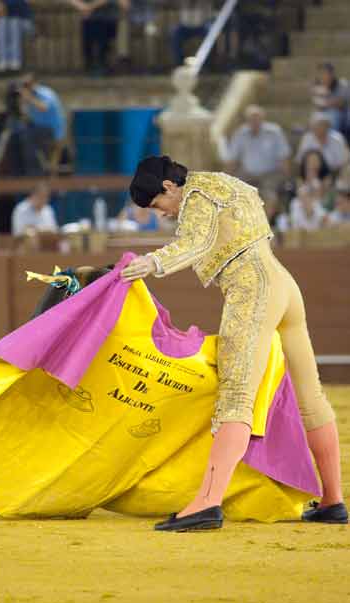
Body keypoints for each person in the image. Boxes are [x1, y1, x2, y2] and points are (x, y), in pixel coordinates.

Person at [121, 155, 347, 532]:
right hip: (283, 284)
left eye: (158, 205)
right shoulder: (222, 181)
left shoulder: (195, 196)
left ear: (168, 187)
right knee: (312, 397)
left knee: (236, 397)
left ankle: (207, 503)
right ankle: (333, 500)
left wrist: (152, 263)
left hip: (251, 289)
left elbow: (194, 243)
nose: (162, 214)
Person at [224, 104, 291, 196]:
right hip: (247, 173)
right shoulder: (240, 134)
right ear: (247, 120)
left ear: (263, 118)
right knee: (238, 194)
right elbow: (232, 160)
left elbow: (283, 157)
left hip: (270, 174)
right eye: (251, 119)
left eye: (257, 118)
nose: (254, 121)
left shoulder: (274, 132)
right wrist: (225, 179)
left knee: (269, 194)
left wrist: (287, 178)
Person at [18, 73, 67, 170]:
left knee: (29, 138)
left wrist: (28, 98)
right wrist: (22, 103)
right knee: (22, 133)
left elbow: (44, 107)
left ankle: (37, 172)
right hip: (39, 128)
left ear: (34, 83)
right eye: (24, 85)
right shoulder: (28, 96)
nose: (25, 87)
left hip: (51, 130)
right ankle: (36, 171)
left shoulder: (45, 93)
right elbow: (25, 116)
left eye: (27, 84)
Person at [68, 0, 130, 74]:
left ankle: (100, 61)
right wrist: (81, 6)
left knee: (101, 22)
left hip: (107, 15)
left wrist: (90, 7)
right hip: (90, 16)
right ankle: (92, 62)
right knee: (90, 22)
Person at [171, 0, 214, 67]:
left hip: (201, 25)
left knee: (211, 33)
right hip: (184, 26)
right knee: (175, 34)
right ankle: (179, 63)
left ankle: (207, 64)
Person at [0, 0, 34, 72]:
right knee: (2, 22)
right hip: (8, 24)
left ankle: (15, 60)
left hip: (25, 23)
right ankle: (3, 60)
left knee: (14, 22)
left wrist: (1, 5)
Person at [311, 62, 349, 133]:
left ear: (332, 74)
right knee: (316, 118)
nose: (323, 76)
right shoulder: (316, 86)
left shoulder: (342, 84)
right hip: (324, 113)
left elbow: (341, 103)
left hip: (342, 113)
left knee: (334, 117)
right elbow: (318, 105)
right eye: (321, 73)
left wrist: (326, 101)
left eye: (326, 73)